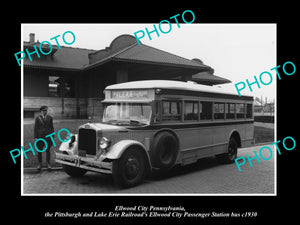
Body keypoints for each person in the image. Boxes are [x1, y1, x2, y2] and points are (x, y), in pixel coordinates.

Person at [34, 105, 54, 172]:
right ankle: (40, 164)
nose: (45, 112)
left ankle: (48, 164)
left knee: (48, 150)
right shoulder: (38, 118)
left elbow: (52, 127)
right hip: (40, 137)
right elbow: (36, 128)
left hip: (48, 137)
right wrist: (36, 137)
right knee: (39, 151)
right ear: (41, 111)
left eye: (46, 110)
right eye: (43, 111)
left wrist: (52, 136)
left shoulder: (50, 118)